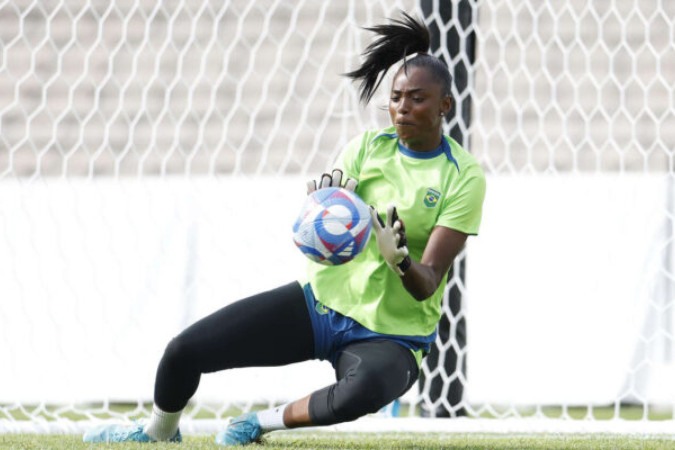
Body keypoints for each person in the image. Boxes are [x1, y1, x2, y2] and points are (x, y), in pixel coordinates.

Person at [83, 11, 486, 446]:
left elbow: (426, 284)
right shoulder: (366, 149)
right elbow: (328, 228)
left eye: (418, 98)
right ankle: (156, 434)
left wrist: (401, 260)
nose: (403, 107)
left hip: (391, 336)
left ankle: (256, 423)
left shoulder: (463, 177)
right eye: (396, 97)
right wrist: (322, 211)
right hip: (321, 306)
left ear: (445, 104)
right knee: (184, 351)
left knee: (361, 392)